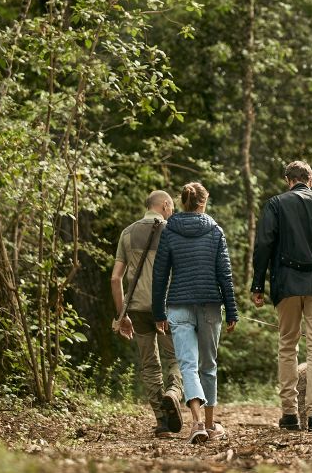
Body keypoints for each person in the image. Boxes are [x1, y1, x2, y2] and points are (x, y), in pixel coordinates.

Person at [251, 161, 312, 432]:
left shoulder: (275, 204)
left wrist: (258, 285)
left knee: (287, 346)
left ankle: (290, 414)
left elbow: (263, 245)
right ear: (310, 180)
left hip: (286, 284)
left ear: (288, 180)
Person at [152, 182, 239, 444]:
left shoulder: (169, 231)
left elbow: (160, 274)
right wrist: (232, 310)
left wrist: (158, 312)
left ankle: (197, 423)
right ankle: (210, 425)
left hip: (178, 305)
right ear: (204, 202)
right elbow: (224, 275)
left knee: (188, 365)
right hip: (210, 304)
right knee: (208, 366)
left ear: (183, 202)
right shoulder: (215, 231)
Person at [110, 190, 184, 438]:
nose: (172, 212)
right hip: (167, 307)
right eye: (171, 208)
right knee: (177, 358)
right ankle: (173, 393)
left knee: (150, 363)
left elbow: (115, 279)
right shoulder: (172, 231)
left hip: (137, 308)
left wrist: (122, 314)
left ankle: (162, 421)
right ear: (165, 205)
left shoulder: (127, 233)